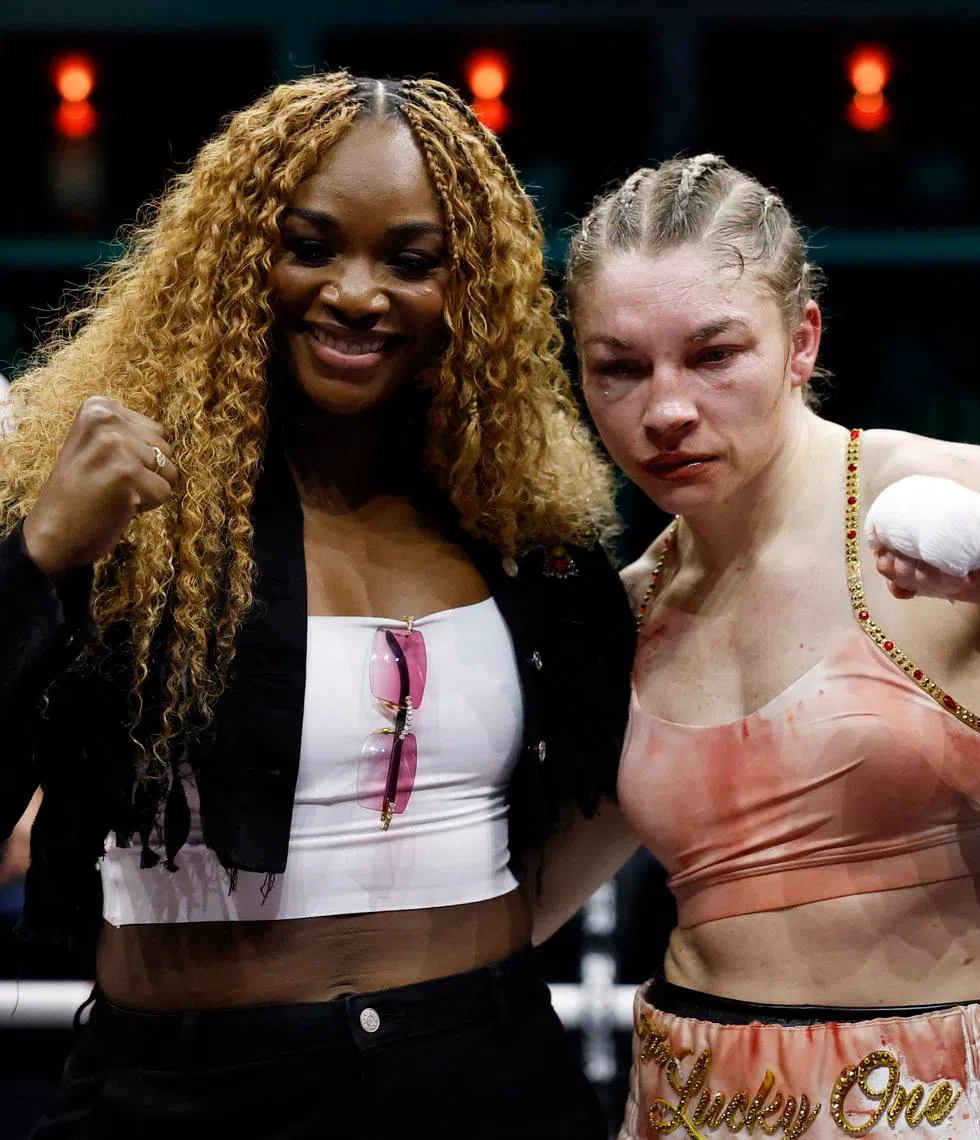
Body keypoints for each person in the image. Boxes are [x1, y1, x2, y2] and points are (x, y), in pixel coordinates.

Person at [0, 72, 634, 1138]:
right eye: (310, 246)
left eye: (411, 261)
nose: (356, 291)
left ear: (468, 289)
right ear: (240, 259)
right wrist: (43, 556)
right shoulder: (112, 500)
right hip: (188, 1092)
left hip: (484, 1074)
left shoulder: (521, 535)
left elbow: (604, 791)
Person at [557, 154, 980, 1137]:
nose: (665, 409)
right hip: (686, 1108)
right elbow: (517, 905)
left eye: (713, 355)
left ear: (801, 340)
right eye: (619, 367)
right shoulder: (628, 615)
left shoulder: (949, 503)